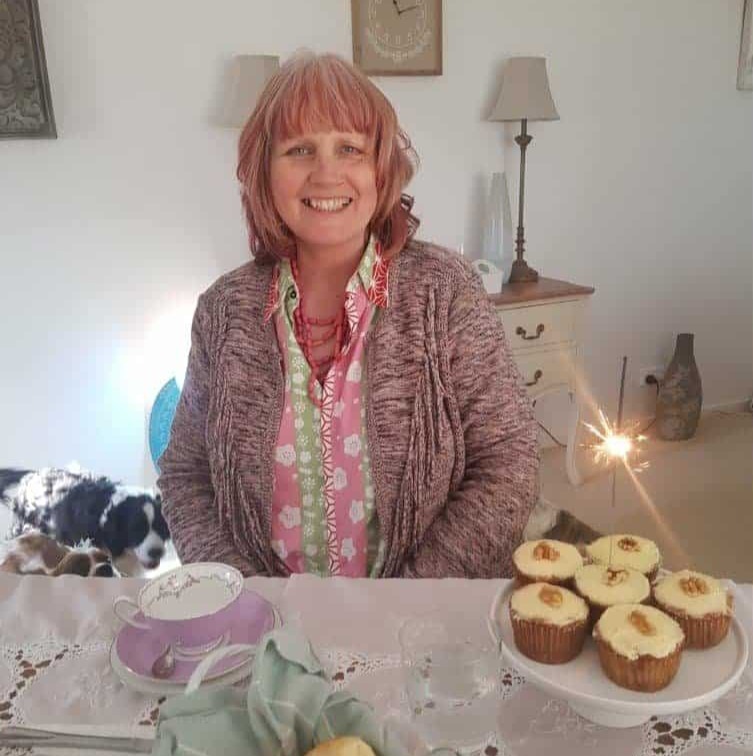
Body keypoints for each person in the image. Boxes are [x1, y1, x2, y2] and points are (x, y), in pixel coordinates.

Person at [158, 51, 539, 578]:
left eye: (350, 149)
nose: (326, 173)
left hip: (422, 617)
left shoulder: (447, 292)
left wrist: (408, 601)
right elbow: (184, 473)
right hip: (265, 618)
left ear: (381, 169)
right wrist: (245, 598)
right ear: (264, 172)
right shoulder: (222, 311)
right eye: (299, 149)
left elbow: (509, 461)